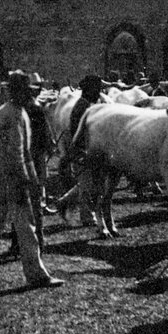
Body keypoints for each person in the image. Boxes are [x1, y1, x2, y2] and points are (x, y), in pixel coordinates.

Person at [0, 72, 64, 290]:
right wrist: (26, 180)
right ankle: (37, 275)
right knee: (26, 227)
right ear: (21, 93)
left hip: (1, 178)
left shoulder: (5, 111)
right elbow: (17, 153)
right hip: (13, 179)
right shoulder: (15, 115)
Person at [54, 74, 103, 226]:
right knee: (86, 183)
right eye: (97, 89)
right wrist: (82, 150)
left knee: (86, 182)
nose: (99, 93)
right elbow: (79, 131)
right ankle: (86, 216)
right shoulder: (82, 107)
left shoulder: (85, 104)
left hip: (85, 148)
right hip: (81, 149)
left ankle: (63, 202)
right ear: (89, 90)